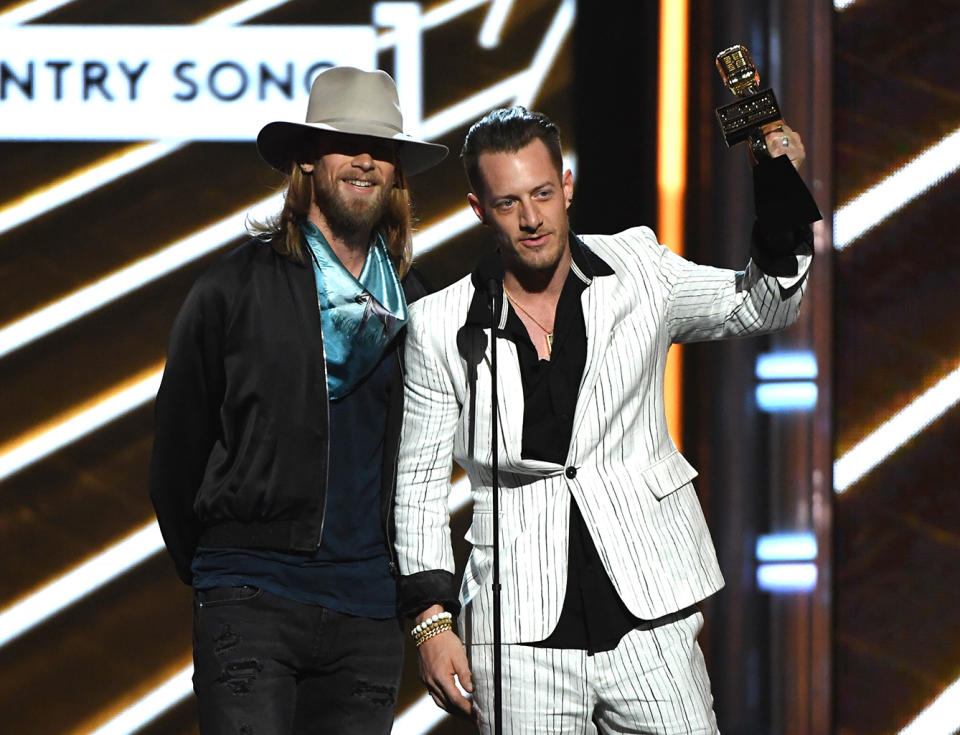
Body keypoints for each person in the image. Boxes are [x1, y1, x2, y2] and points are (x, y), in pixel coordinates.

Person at [393, 106, 819, 734]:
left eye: (542, 193)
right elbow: (418, 484)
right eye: (509, 203)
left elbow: (761, 305)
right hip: (517, 629)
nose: (533, 219)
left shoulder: (640, 270)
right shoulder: (439, 325)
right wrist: (431, 623)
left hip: (649, 610)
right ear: (479, 209)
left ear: (566, 184)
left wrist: (780, 190)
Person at [148, 66, 447, 734]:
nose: (367, 160)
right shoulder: (232, 289)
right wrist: (225, 570)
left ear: (396, 174)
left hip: (367, 610)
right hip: (252, 598)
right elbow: (175, 452)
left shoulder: (420, 304)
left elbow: (426, 462)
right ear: (308, 158)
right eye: (348, 144)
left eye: (383, 149)